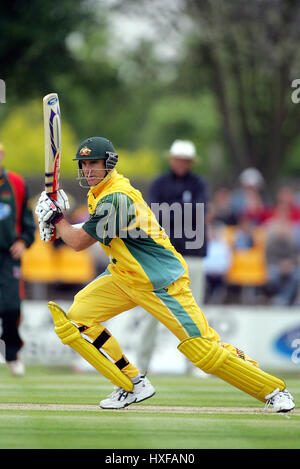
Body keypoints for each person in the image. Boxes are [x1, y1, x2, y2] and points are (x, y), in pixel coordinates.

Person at [35, 136, 295, 412]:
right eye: (84, 164)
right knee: (77, 321)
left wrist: (57, 219)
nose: (88, 170)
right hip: (125, 277)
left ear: (108, 164)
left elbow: (78, 242)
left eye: (93, 164)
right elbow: (88, 229)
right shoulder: (100, 193)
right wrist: (59, 220)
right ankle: (132, 382)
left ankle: (274, 391)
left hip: (161, 282)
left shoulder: (117, 197)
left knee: (202, 349)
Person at [136, 140, 208, 374]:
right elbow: (154, 213)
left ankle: (195, 364)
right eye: (178, 159)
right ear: (171, 159)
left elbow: (196, 212)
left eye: (185, 160)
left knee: (193, 311)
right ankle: (141, 366)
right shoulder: (159, 183)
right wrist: (178, 211)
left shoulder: (199, 184)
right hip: (162, 255)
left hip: (192, 254)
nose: (181, 163)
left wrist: (171, 212)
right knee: (152, 310)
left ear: (190, 162)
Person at [0, 142, 36, 376]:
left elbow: (28, 221)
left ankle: (12, 353)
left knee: (11, 306)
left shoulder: (16, 183)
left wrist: (23, 241)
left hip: (7, 255)